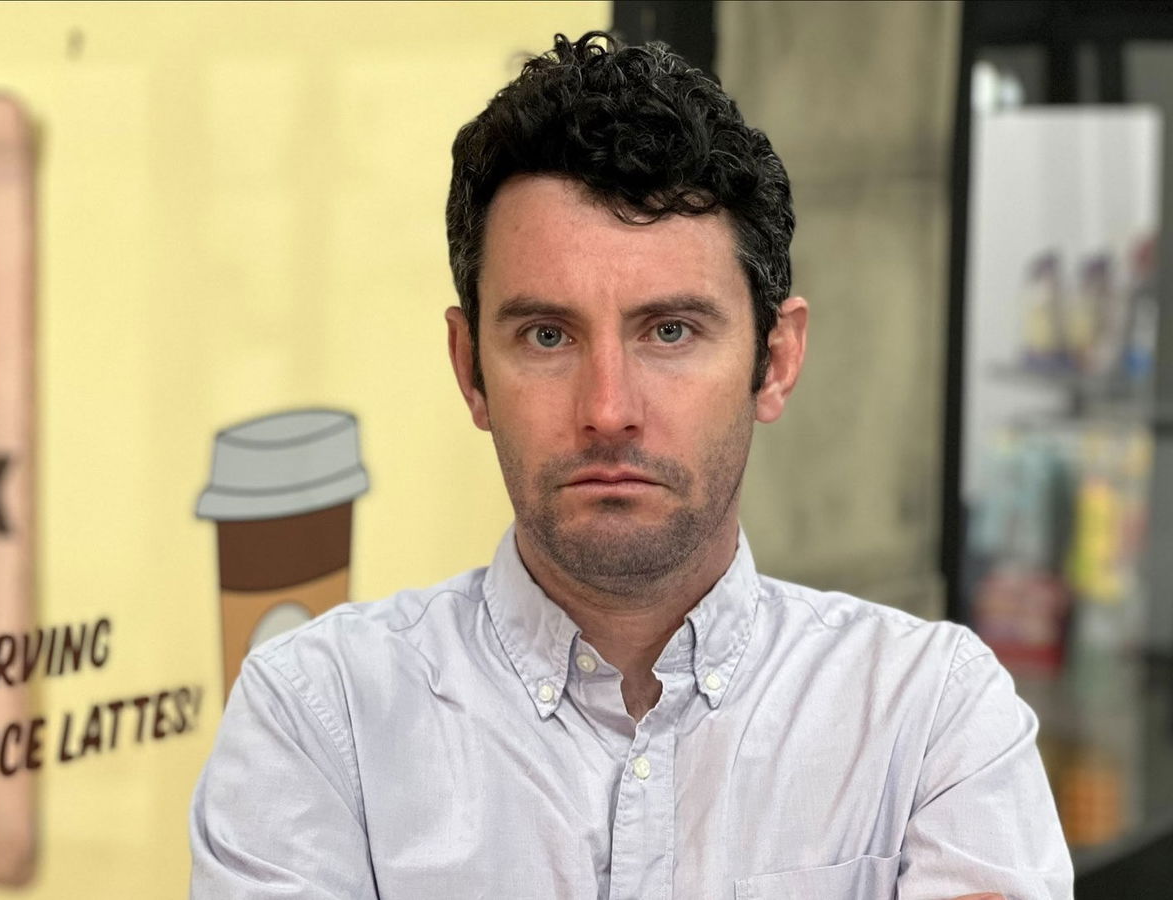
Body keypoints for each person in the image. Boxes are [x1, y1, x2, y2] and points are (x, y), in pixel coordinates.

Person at [189, 32, 1072, 899]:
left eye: (670, 331)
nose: (608, 408)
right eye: (547, 336)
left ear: (775, 360)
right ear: (470, 370)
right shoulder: (321, 716)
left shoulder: (926, 716)